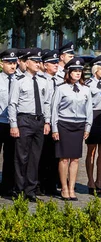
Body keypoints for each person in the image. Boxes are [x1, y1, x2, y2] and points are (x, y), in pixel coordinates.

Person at [8, 48, 50, 202]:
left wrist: (47, 121)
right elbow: (12, 104)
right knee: (21, 157)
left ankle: (30, 191)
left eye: (39, 61)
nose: (38, 64)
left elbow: (46, 102)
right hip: (24, 120)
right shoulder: (18, 81)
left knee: (35, 157)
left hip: (39, 120)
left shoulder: (43, 81)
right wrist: (13, 125)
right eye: (35, 61)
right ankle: (18, 190)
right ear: (26, 62)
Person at [50, 57, 93, 201]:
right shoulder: (61, 88)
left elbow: (89, 110)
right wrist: (54, 128)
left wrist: (88, 127)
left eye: (80, 71)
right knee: (64, 159)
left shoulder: (86, 89)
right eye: (75, 71)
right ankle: (63, 187)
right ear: (69, 72)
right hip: (64, 124)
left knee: (75, 159)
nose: (78, 73)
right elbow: (54, 109)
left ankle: (72, 187)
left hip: (79, 125)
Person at [84, 54, 101, 195]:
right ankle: (90, 179)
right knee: (91, 151)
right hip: (93, 116)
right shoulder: (88, 84)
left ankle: (100, 179)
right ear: (95, 70)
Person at [38, 49, 61, 197]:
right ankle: (39, 184)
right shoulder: (41, 80)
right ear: (45, 65)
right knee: (42, 154)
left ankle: (52, 184)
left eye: (57, 62)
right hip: (44, 121)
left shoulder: (59, 80)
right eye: (53, 63)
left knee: (55, 154)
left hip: (57, 122)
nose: (56, 65)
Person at [0, 49, 18, 197]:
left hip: (13, 124)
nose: (13, 66)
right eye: (9, 63)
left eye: (14, 63)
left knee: (11, 156)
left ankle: (7, 187)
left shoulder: (19, 79)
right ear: (1, 64)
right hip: (0, 121)